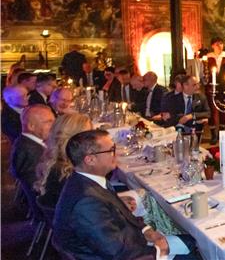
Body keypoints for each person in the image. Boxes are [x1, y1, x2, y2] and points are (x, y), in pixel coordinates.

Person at [53, 130, 192, 259]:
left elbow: (122, 214)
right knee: (196, 248)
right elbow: (117, 252)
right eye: (111, 150)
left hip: (131, 243)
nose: (116, 154)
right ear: (90, 160)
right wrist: (160, 249)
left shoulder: (90, 181)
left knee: (191, 240)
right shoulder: (86, 201)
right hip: (129, 255)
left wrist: (146, 230)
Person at [35, 113, 93, 208]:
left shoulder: (57, 162)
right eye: (89, 135)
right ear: (74, 139)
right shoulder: (67, 174)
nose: (94, 139)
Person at [11, 105, 55, 194]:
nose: (55, 125)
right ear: (31, 126)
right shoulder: (31, 152)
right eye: (49, 122)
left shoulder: (31, 143)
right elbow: (40, 191)